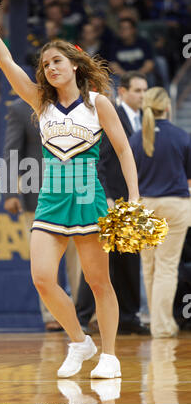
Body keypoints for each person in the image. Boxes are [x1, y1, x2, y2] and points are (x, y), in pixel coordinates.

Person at [0, 15, 140, 379]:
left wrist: (133, 195)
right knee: (42, 279)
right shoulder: (40, 102)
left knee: (99, 283)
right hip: (50, 199)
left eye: (56, 61)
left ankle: (110, 356)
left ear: (74, 64)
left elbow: (125, 151)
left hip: (89, 198)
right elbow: (5, 61)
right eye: (45, 64)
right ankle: (80, 341)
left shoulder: (99, 103)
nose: (50, 67)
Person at [76, 71, 149, 335]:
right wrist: (106, 195)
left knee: (129, 256)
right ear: (123, 92)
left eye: (145, 90)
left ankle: (129, 317)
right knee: (101, 258)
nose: (142, 95)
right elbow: (101, 161)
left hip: (132, 196)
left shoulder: (144, 120)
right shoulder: (110, 115)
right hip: (112, 197)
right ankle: (82, 315)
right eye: (138, 90)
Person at [3, 98, 82, 332]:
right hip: (37, 195)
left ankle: (82, 313)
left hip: (76, 191)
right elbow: (11, 151)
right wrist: (9, 192)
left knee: (78, 259)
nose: (52, 70)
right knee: (45, 261)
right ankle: (52, 314)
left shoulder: (76, 103)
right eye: (46, 66)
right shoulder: (19, 107)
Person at [129, 87, 191, 338]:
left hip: (144, 205)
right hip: (175, 204)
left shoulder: (135, 138)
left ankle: (157, 323)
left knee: (149, 266)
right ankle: (162, 326)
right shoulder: (181, 136)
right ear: (167, 107)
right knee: (166, 267)